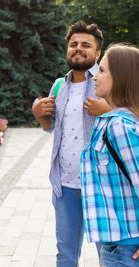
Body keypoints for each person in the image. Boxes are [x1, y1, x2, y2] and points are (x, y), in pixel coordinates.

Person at [32, 20, 111, 266]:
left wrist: (107, 108)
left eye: (86, 45)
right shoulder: (59, 85)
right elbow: (51, 128)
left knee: (107, 254)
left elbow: (131, 114)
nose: (78, 48)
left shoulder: (107, 82)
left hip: (102, 185)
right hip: (65, 185)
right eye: (73, 44)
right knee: (65, 253)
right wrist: (39, 114)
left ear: (97, 53)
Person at [81, 43, 139, 267]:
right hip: (116, 245)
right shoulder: (114, 122)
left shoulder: (120, 127)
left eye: (103, 70)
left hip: (125, 247)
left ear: (122, 77)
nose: (95, 76)